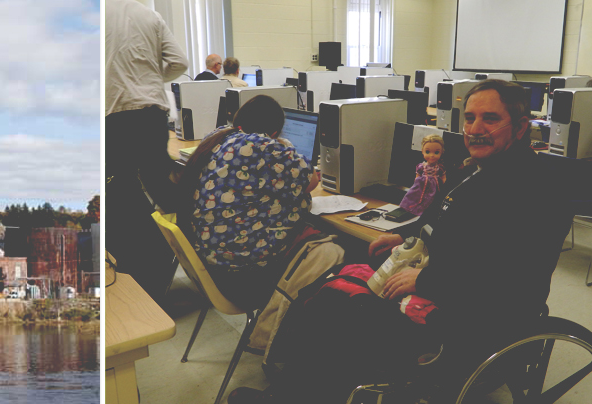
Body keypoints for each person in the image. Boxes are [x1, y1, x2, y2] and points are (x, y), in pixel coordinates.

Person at [230, 79, 576, 403]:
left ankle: (299, 393)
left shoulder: (538, 190)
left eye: (490, 119)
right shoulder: (480, 169)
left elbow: (508, 279)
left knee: (343, 312)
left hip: (471, 322)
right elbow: (442, 213)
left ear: (519, 127)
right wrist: (405, 233)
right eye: (469, 118)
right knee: (329, 287)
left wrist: (425, 279)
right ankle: (293, 391)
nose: (474, 129)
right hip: (445, 289)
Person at [182, 95, 318, 304]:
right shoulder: (260, 146)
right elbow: (311, 181)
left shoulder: (219, 136)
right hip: (242, 279)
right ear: (272, 134)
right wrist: (282, 145)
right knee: (328, 247)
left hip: (210, 267)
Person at [106, 0, 188, 299]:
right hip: (151, 112)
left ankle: (137, 276)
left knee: (122, 193)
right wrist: (151, 78)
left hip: (113, 113)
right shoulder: (149, 15)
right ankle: (185, 257)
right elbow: (179, 62)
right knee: (163, 186)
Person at [399, 134, 445, 216]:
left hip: (435, 186)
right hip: (421, 185)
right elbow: (418, 175)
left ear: (442, 152)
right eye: (427, 152)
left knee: (431, 199)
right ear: (422, 152)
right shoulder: (421, 166)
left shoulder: (440, 167)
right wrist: (416, 183)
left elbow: (443, 176)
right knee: (415, 197)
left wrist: (444, 184)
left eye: (436, 152)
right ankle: (411, 210)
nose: (432, 155)